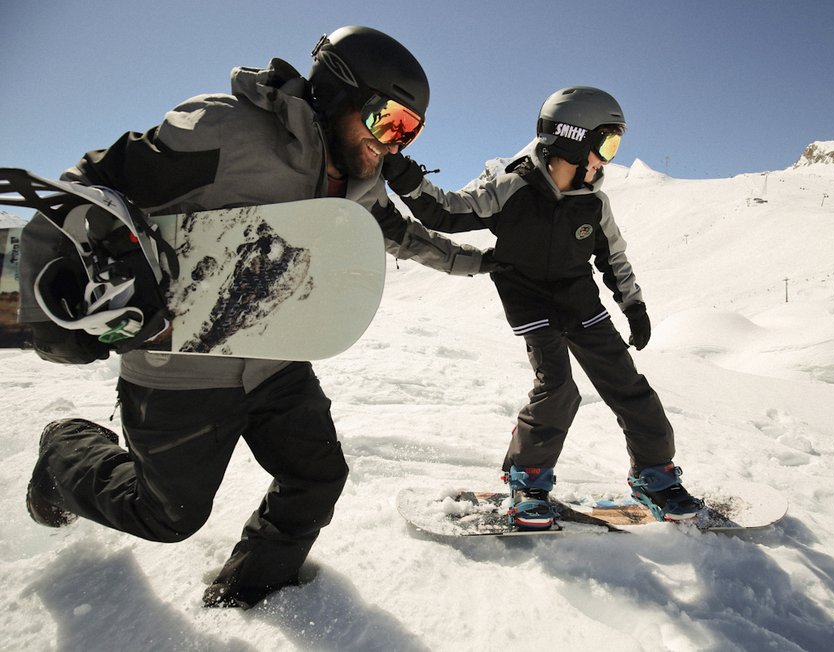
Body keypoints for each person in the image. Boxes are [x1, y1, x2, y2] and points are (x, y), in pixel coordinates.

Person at [19, 26, 494, 608]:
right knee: (165, 516)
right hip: (182, 368)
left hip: (277, 358)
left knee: (316, 479)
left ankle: (245, 596)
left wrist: (483, 264)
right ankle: (65, 446)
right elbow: (85, 187)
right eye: (389, 122)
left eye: (409, 132)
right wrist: (47, 318)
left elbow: (404, 237)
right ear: (340, 95)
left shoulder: (362, 184)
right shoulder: (226, 130)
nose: (394, 144)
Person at [382, 86, 702, 530]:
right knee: (558, 388)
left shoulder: (593, 202)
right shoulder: (512, 186)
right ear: (573, 137)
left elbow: (614, 258)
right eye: (606, 143)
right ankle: (528, 481)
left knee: (628, 387)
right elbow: (445, 213)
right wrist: (401, 174)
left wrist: (634, 306)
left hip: (580, 303)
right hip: (529, 299)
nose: (607, 159)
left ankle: (655, 476)